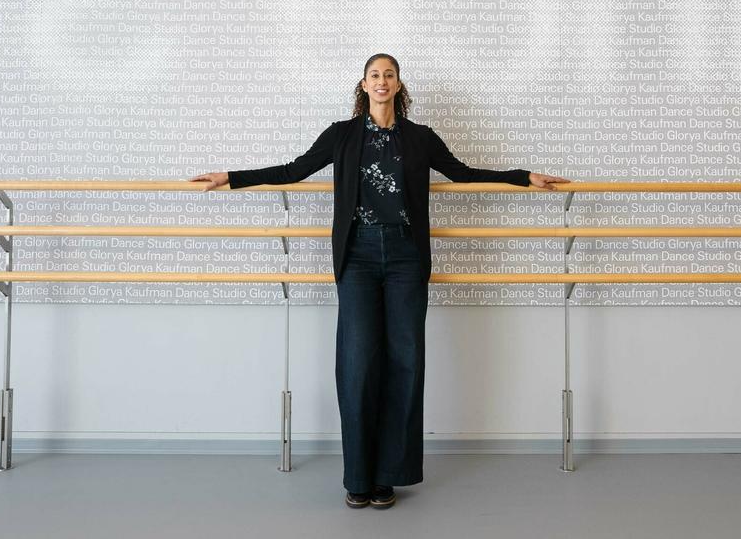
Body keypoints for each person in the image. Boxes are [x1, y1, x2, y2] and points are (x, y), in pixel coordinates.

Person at [190, 53, 570, 509]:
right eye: (375, 75)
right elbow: (292, 171)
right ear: (364, 84)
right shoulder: (342, 135)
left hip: (407, 257)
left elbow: (463, 173)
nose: (382, 81)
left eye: (389, 74)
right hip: (359, 256)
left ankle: (389, 474)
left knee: (406, 360)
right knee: (357, 362)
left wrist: (525, 177)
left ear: (398, 84)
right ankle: (358, 477)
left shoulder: (420, 138)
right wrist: (231, 177)